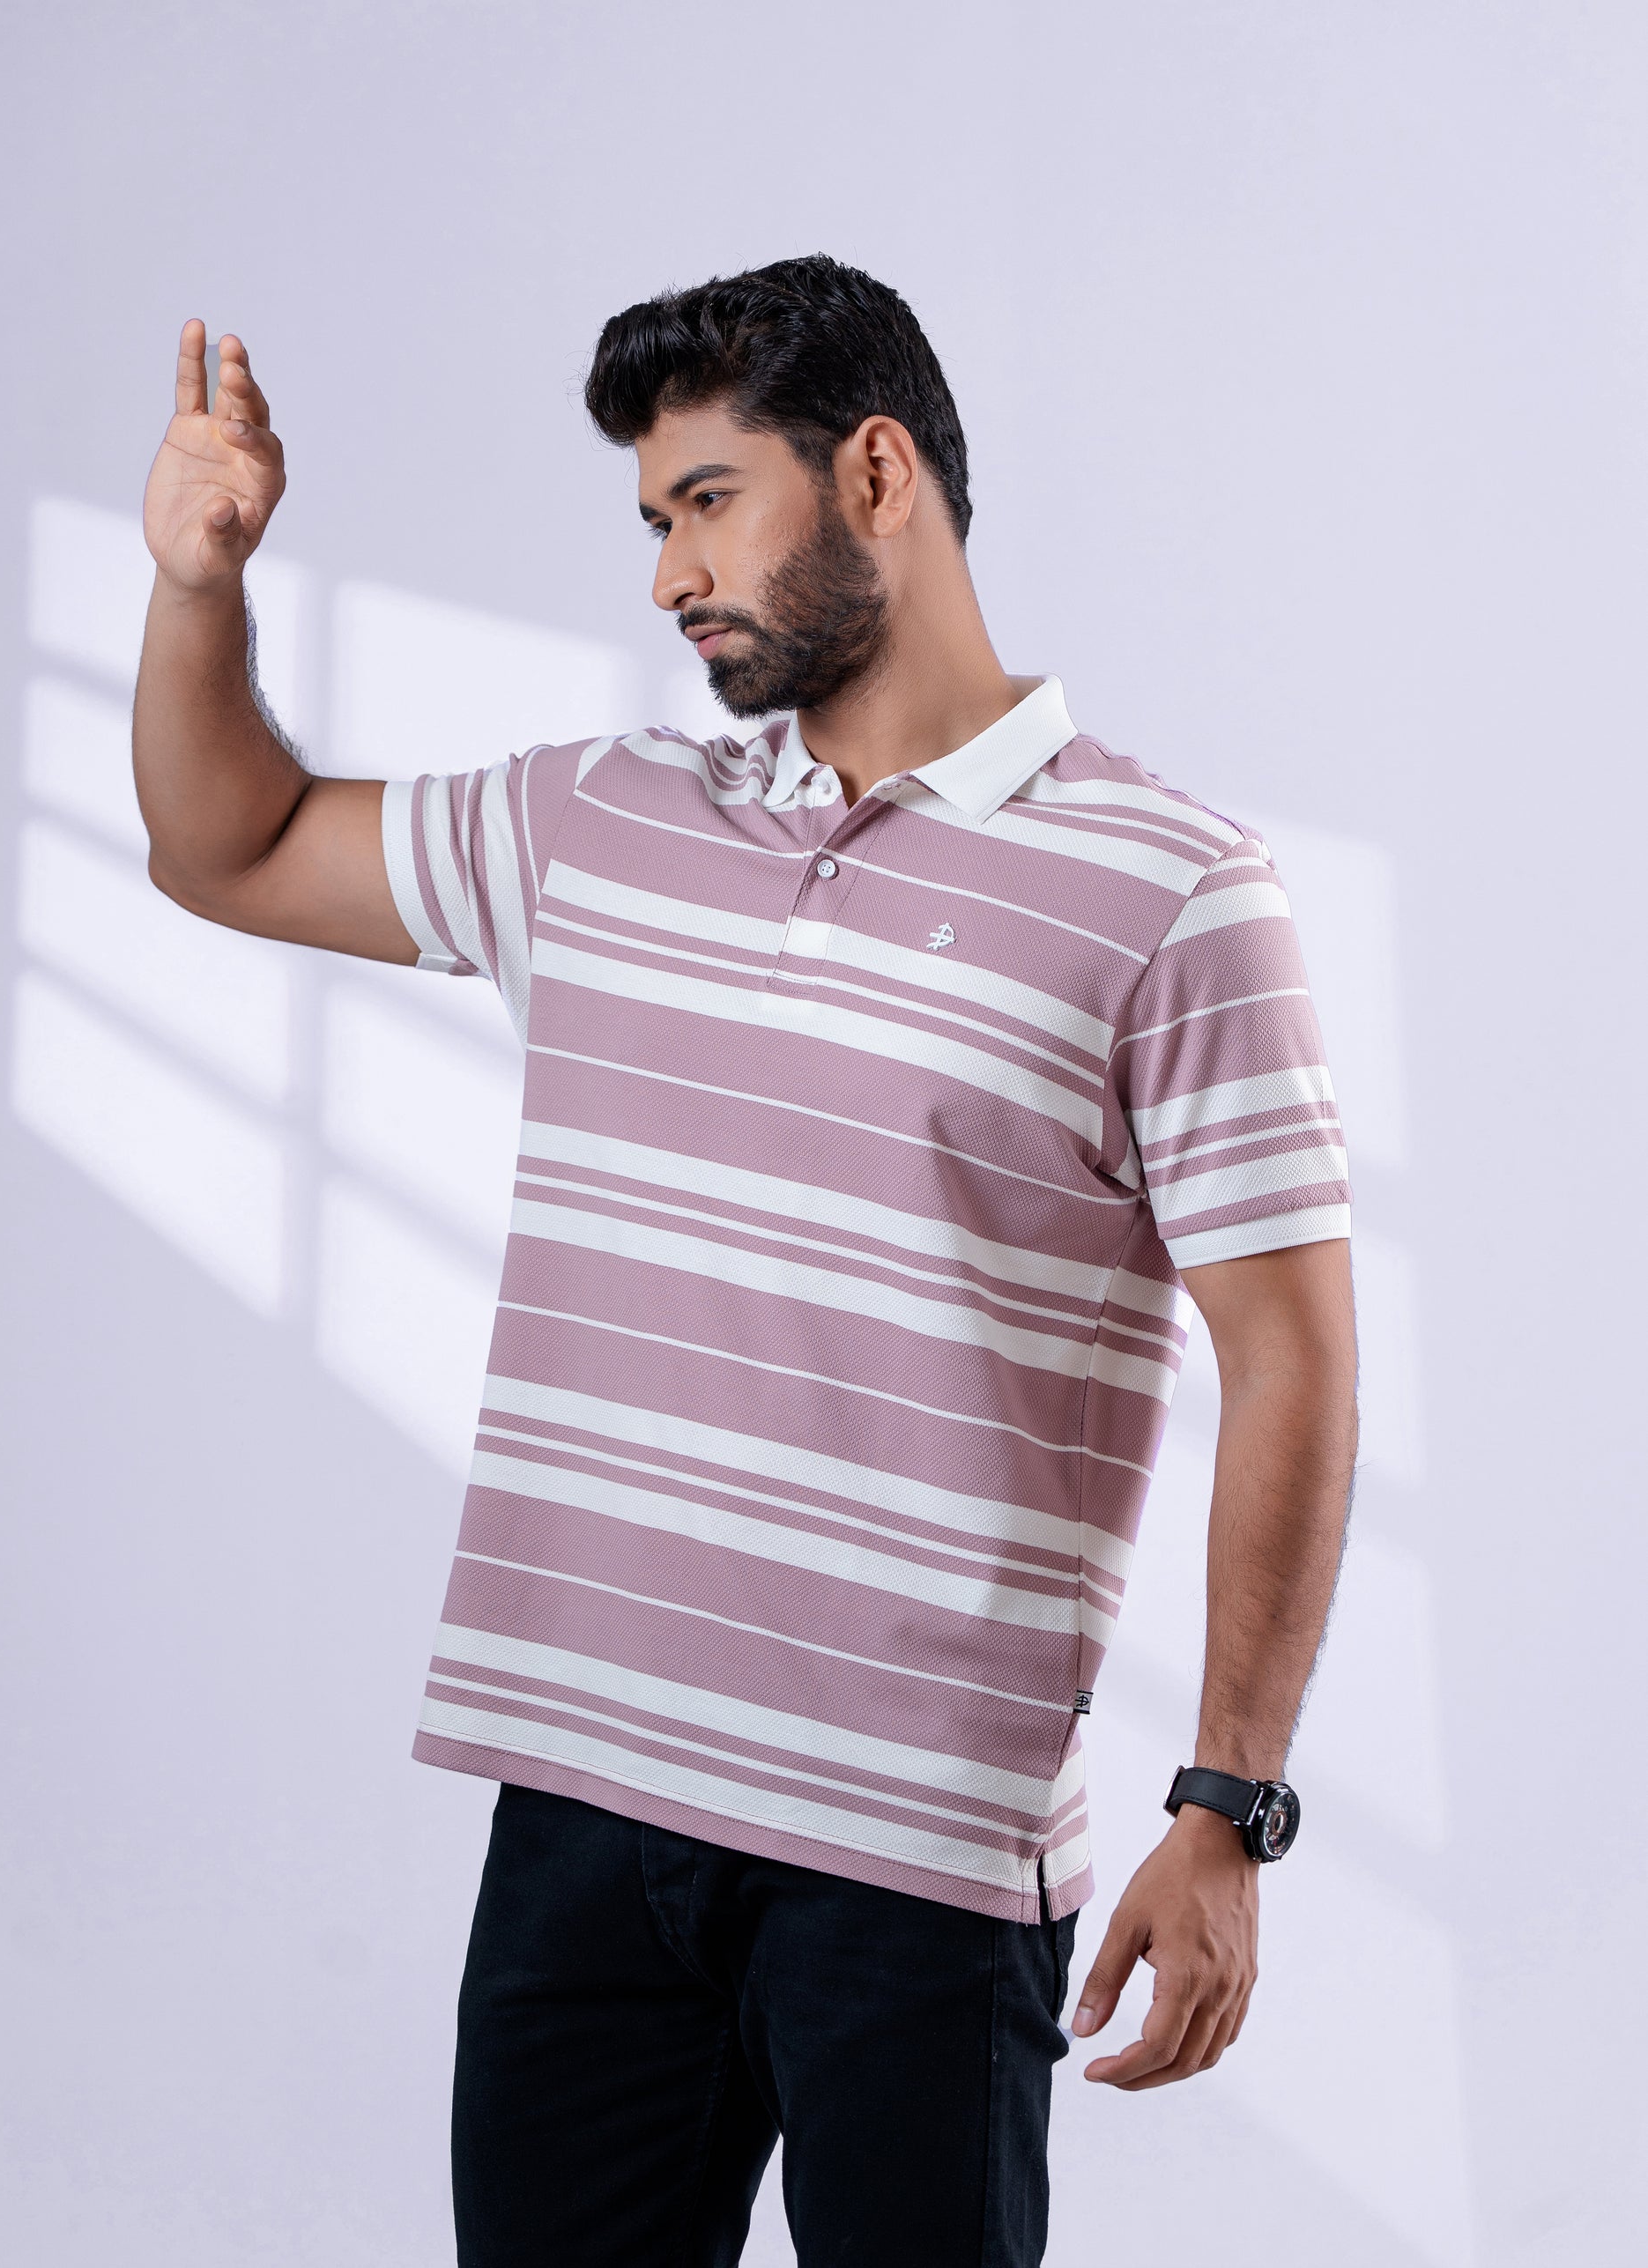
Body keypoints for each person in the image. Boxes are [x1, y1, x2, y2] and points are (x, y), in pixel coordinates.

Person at [133, 255, 1357, 2267]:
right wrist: (201, 590)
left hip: (917, 1864)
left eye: (706, 501)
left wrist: (1229, 1807)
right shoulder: (600, 821)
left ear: (876, 472)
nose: (667, 573)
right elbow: (229, 846)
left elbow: (1291, 1359)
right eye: (651, 519)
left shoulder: (1175, 892)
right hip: (582, 1814)